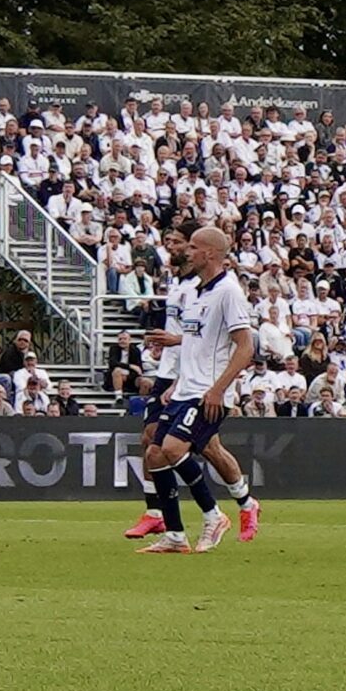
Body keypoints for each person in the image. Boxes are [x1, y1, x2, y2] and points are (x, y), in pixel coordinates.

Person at [136, 226, 253, 555]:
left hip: (207, 391)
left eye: (193, 247)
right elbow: (197, 344)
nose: (187, 252)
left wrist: (218, 390)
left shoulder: (228, 291)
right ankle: (175, 535)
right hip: (186, 387)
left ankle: (215, 515)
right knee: (154, 454)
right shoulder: (198, 292)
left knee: (173, 448)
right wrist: (176, 382)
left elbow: (245, 347)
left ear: (210, 254)